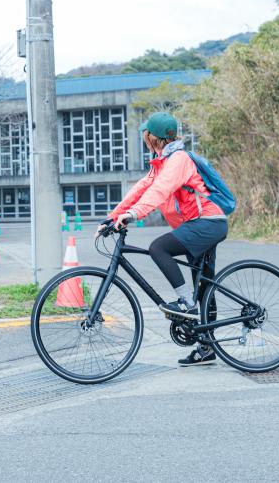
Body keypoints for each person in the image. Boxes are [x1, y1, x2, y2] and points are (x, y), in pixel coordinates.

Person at [99, 111, 228, 366]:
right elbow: (141, 190)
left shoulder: (178, 160)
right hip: (196, 225)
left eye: (146, 135)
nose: (145, 138)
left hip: (208, 223)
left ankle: (186, 305)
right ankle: (206, 347)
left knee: (159, 248)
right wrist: (112, 217)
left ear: (154, 138)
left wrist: (134, 214)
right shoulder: (162, 162)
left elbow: (161, 190)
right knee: (204, 285)